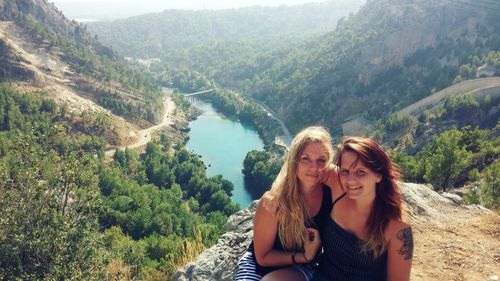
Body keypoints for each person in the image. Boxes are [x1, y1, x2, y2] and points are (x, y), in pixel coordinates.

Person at [235, 126, 336, 281]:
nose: (314, 167)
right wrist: (304, 256)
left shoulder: (332, 192)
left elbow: (357, 177)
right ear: (294, 160)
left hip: (298, 268)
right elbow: (263, 257)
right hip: (260, 266)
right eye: (305, 158)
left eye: (321, 160)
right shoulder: (274, 201)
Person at [315, 136, 413, 281]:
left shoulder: (397, 228)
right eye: (345, 171)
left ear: (378, 175)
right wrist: (274, 193)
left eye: (360, 172)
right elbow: (303, 170)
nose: (350, 180)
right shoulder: (338, 184)